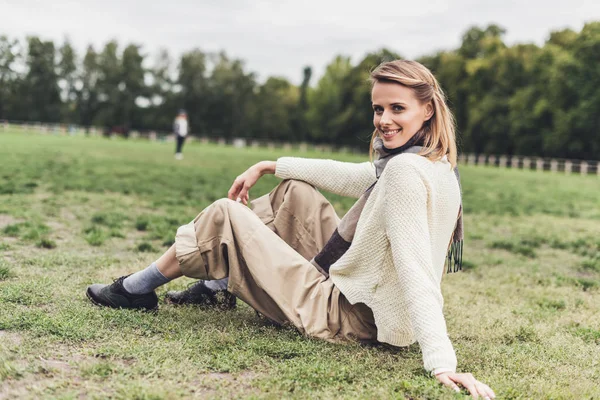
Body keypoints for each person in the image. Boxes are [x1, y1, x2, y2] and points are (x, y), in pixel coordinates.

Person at [86, 60, 495, 399]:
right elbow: (360, 177)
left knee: (226, 214)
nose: (383, 120)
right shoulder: (434, 164)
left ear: (427, 110)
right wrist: (271, 165)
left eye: (396, 109)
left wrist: (442, 362)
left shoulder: (405, 170)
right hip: (365, 296)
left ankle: (136, 290)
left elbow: (415, 267)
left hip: (351, 316)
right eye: (378, 109)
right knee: (295, 193)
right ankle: (215, 289)